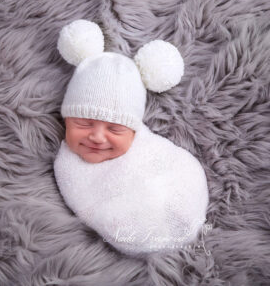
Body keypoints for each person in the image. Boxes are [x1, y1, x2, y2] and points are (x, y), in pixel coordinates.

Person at [53, 19, 209, 257]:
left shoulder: (149, 148)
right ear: (66, 120)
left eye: (115, 129)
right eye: (83, 123)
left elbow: (176, 168)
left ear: (135, 132)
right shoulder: (69, 166)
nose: (96, 136)